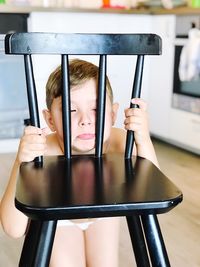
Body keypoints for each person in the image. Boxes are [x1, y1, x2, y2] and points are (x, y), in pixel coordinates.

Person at [0, 59, 158, 267]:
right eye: (71, 110)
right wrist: (21, 161)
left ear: (112, 114)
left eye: (96, 108)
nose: (85, 120)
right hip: (59, 219)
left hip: (102, 214)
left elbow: (152, 193)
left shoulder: (119, 143)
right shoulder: (43, 151)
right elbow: (13, 228)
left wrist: (143, 139)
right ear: (50, 120)